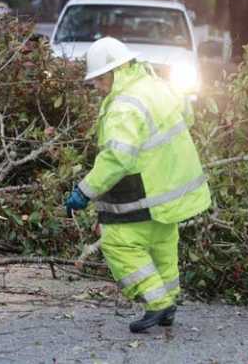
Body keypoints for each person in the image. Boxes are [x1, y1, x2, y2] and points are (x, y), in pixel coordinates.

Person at [65, 37, 211, 333]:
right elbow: (188, 117)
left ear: (115, 72)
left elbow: (118, 158)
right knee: (161, 245)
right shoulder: (157, 86)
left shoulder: (124, 105)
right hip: (168, 190)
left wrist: (85, 191)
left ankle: (157, 303)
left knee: (119, 243)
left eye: (100, 79)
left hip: (143, 192)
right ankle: (168, 301)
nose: (97, 87)